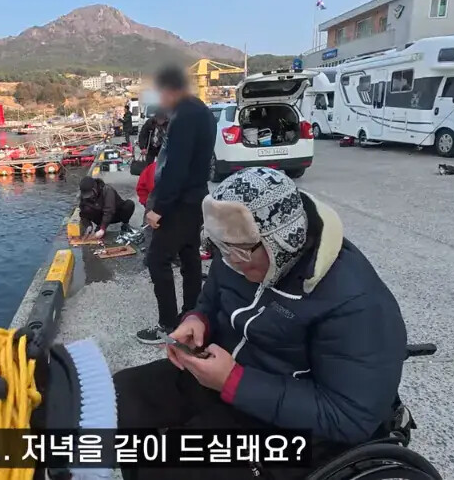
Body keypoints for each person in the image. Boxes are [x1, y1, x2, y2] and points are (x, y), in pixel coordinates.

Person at [115, 167, 408, 479]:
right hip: (227, 379)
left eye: (239, 251)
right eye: (221, 248)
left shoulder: (355, 301)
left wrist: (234, 382)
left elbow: (349, 416)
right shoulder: (236, 249)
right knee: (121, 398)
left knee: (164, 467)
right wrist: (198, 320)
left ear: (283, 241)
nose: (230, 260)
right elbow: (211, 298)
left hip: (293, 426)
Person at [136, 65, 215, 344]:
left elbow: (177, 167)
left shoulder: (185, 116)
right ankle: (192, 314)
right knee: (190, 256)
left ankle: (168, 325)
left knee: (157, 260)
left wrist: (159, 208)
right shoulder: (202, 111)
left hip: (180, 202)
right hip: (195, 199)